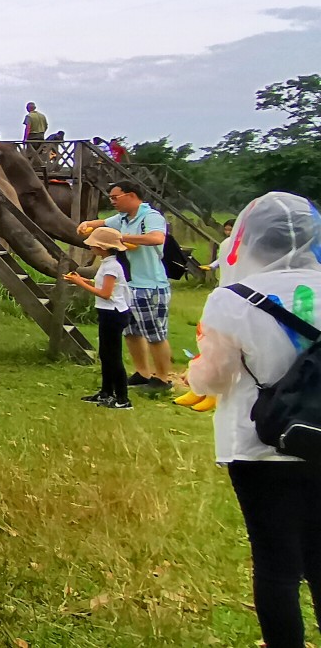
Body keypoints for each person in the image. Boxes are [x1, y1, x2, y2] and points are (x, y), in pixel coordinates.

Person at [183, 192, 321, 648]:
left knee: (276, 562)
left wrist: (192, 372)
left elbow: (214, 379)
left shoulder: (232, 299)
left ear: (248, 240)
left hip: (260, 443)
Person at [79, 181, 174, 389]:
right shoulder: (121, 218)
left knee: (154, 334)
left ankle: (163, 378)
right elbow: (103, 222)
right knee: (131, 332)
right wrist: (87, 224)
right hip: (128, 285)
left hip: (150, 285)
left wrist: (120, 238)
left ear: (131, 195)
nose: (112, 201)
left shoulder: (150, 216)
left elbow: (157, 238)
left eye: (115, 197)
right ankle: (142, 372)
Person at [63, 226, 134, 409]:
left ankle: (122, 399)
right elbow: (106, 285)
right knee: (105, 354)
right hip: (108, 313)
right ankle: (106, 393)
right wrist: (84, 280)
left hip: (114, 314)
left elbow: (105, 293)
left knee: (113, 357)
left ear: (102, 247)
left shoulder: (112, 266)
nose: (91, 248)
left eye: (93, 245)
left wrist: (80, 284)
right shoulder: (108, 263)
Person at [216, 218, 239, 287]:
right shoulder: (225, 242)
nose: (228, 232)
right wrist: (212, 266)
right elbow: (223, 257)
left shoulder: (242, 242)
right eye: (226, 230)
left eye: (230, 230)